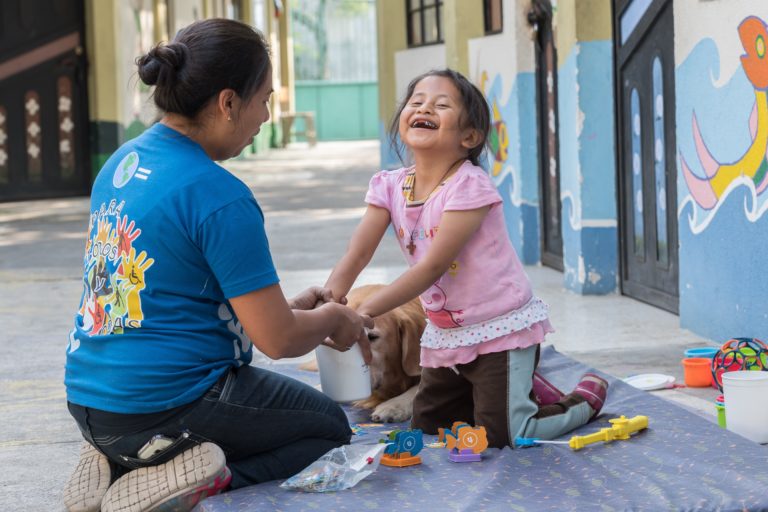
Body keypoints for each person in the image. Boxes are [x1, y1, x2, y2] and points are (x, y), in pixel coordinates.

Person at [63, 19, 371, 512]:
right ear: (228, 103)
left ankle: (121, 461)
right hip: (165, 405)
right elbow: (280, 341)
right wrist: (335, 318)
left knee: (259, 408)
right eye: (264, 99)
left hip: (91, 402)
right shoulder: (219, 195)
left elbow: (168, 296)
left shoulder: (121, 163)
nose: (266, 116)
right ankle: (189, 476)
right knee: (329, 429)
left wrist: (289, 309)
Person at [324, 69, 609, 449]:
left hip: (500, 330)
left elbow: (431, 267)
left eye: (441, 105)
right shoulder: (389, 185)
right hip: (447, 334)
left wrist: (362, 314)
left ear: (469, 137)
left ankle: (582, 401)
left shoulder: (469, 185)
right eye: (417, 101)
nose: (425, 107)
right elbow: (357, 251)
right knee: (429, 425)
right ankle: (521, 386)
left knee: (505, 434)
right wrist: (330, 301)